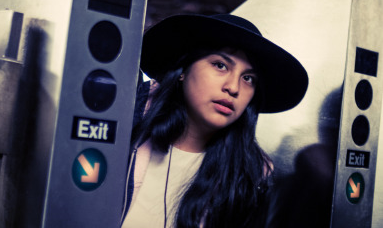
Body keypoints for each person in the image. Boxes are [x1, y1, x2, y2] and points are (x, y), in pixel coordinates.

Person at [120, 13, 309, 228]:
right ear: (183, 69)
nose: (233, 87)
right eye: (220, 65)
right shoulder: (125, 125)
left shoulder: (249, 178)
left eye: (248, 78)